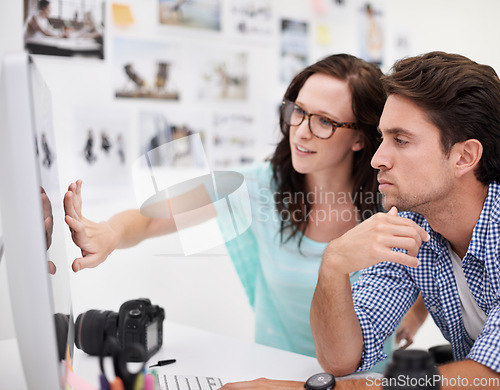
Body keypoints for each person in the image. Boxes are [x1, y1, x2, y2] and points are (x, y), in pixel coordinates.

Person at [64, 54, 425, 373]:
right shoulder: (256, 188)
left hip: (363, 382)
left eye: (325, 122)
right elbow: (150, 217)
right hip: (274, 376)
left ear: (361, 137)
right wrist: (109, 233)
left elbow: (439, 257)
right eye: (298, 111)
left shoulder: (391, 202)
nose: (300, 132)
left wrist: (416, 313)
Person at [225, 51, 500, 389]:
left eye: (400, 140)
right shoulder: (415, 225)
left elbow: (488, 376)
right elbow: (341, 358)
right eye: (382, 138)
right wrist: (333, 265)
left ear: (464, 157)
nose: (377, 159)